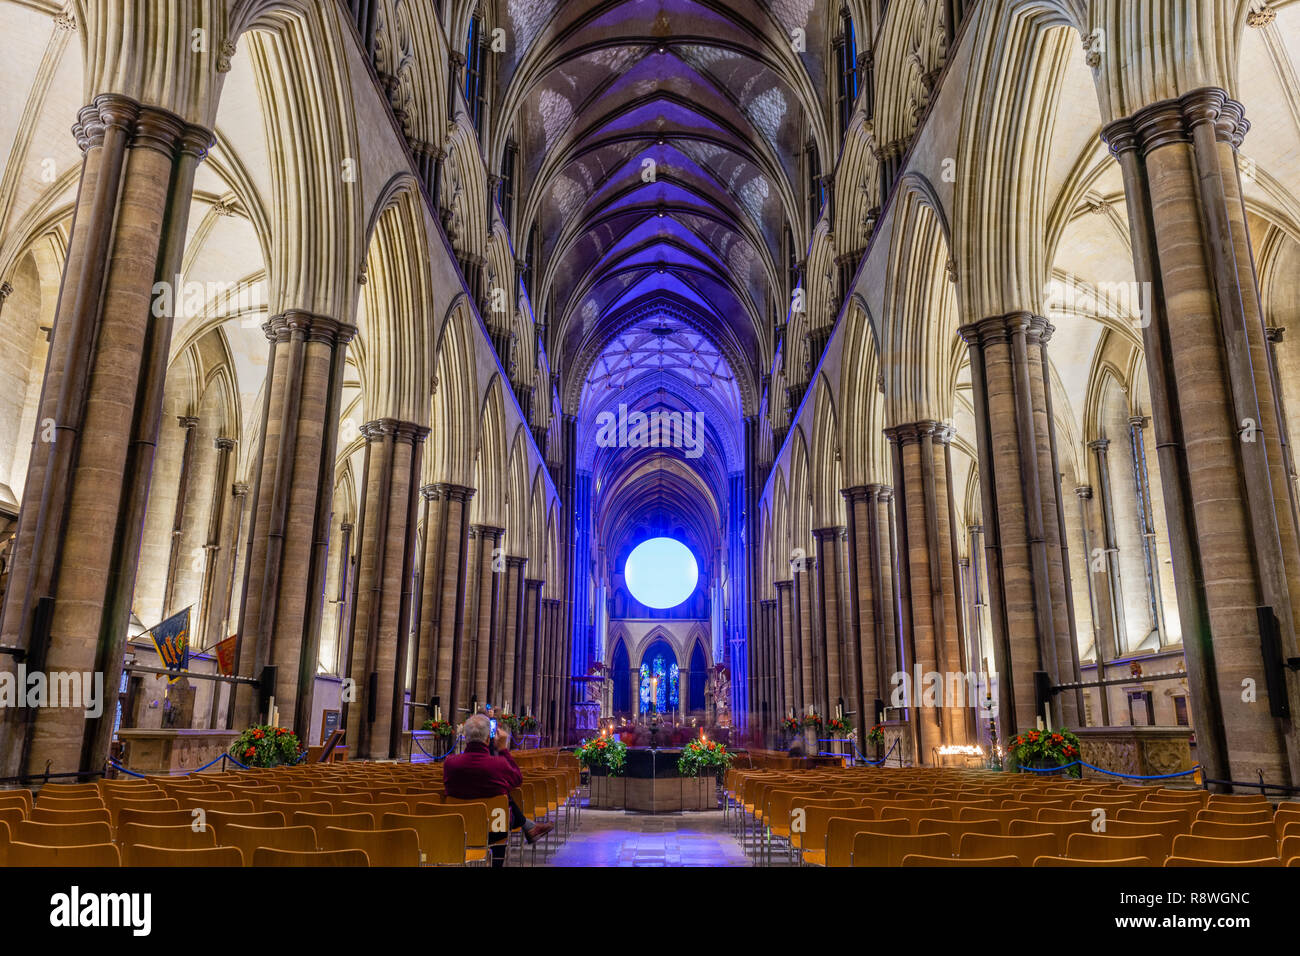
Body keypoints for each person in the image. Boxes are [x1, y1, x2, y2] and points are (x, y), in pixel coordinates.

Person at [443, 713, 553, 866]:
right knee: (501, 805)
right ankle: (524, 831)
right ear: (488, 739)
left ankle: (529, 826)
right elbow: (517, 779)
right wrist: (503, 749)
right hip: (493, 831)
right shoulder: (498, 764)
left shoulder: (450, 763)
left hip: (458, 828)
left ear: (465, 737)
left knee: (502, 801)